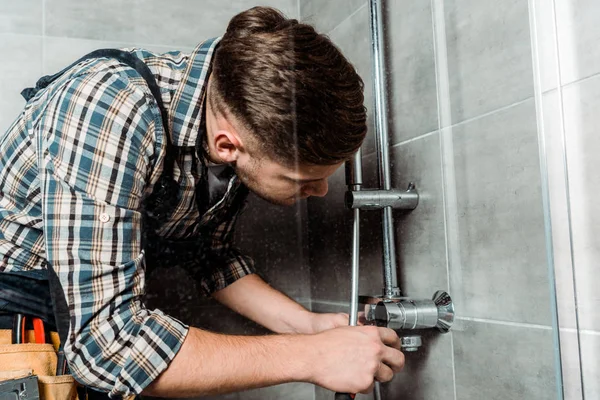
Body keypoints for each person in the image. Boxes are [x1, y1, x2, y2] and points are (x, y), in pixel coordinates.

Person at [0, 6, 404, 398]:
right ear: (229, 145)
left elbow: (208, 254)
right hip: (14, 312)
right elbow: (105, 346)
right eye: (305, 180)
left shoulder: (232, 118)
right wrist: (312, 357)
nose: (322, 192)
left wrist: (307, 326)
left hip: (89, 325)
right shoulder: (108, 107)